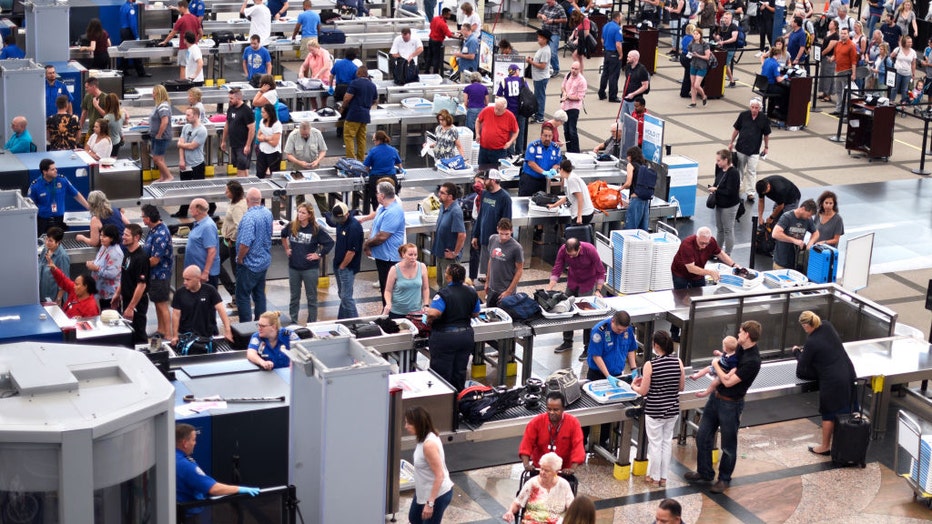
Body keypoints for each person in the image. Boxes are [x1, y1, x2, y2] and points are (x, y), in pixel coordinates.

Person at [684, 320, 762, 494]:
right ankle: (704, 472)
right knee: (703, 435)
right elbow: (728, 362)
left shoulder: (753, 360)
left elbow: (728, 381)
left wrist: (715, 365)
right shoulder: (741, 349)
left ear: (747, 335)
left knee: (728, 444)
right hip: (716, 398)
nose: (738, 335)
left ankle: (724, 479)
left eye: (740, 332)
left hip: (731, 403)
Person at [794, 310, 857, 455]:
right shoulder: (827, 326)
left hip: (832, 380)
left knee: (829, 413)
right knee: (850, 407)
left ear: (806, 325)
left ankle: (825, 446)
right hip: (847, 372)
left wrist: (796, 352)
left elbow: (802, 364)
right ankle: (847, 445)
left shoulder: (812, 341)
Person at [631, 331, 685, 488]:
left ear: (656, 345)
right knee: (666, 443)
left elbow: (643, 391)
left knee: (655, 444)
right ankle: (663, 477)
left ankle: (654, 477)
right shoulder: (678, 362)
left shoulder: (650, 365)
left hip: (655, 410)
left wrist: (634, 385)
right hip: (672, 409)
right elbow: (681, 387)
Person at [669, 227, 740, 340]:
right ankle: (675, 332)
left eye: (706, 243)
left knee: (700, 299)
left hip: (698, 273)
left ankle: (696, 327)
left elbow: (720, 253)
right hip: (680, 273)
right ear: (697, 237)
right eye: (701, 243)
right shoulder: (687, 244)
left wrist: (734, 265)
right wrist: (710, 272)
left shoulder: (710, 242)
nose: (704, 246)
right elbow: (690, 268)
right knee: (680, 302)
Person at [176, 423, 261, 513]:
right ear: (185, 443)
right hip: (186, 516)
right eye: (194, 440)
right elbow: (214, 489)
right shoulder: (185, 465)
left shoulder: (167, 459)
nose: (195, 443)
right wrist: (239, 489)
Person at [425, 262, 480, 391]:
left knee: (441, 375)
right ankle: (458, 403)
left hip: (445, 338)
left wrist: (428, 315)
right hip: (465, 337)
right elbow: (475, 313)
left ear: (449, 277)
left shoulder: (444, 293)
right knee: (460, 372)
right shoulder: (471, 292)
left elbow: (435, 312)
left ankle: (443, 404)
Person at [547, 237, 603, 357]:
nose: (571, 257)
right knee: (566, 309)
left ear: (580, 248)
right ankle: (567, 341)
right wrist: (551, 285)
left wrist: (598, 290)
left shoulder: (590, 250)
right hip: (573, 281)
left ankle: (587, 347)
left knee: (586, 314)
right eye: (569, 255)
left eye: (574, 255)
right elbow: (558, 266)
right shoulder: (563, 250)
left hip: (587, 283)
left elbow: (600, 270)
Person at [282, 203, 334, 323]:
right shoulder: (292, 226)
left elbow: (329, 243)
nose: (300, 215)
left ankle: (311, 322)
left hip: (310, 269)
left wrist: (318, 254)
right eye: (299, 212)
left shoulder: (316, 229)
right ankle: (293, 321)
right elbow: (283, 235)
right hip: (294, 267)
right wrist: (286, 248)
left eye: (303, 212)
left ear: (309, 215)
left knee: (311, 298)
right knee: (294, 297)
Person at [405, 406, 455, 524]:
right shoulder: (424, 437)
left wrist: (430, 504)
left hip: (437, 495)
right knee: (414, 518)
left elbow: (440, 475)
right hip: (423, 491)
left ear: (419, 424)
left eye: (409, 424)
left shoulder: (429, 445)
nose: (405, 426)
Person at [518, 391, 586, 474]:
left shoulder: (573, 423)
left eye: (556, 410)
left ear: (563, 409)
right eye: (549, 409)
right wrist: (526, 464)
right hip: (539, 469)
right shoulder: (536, 422)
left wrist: (572, 468)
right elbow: (526, 445)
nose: (552, 412)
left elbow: (578, 447)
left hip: (563, 471)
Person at [502, 452, 575, 523]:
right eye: (541, 469)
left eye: (546, 471)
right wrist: (510, 511)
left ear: (556, 472)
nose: (542, 472)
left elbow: (572, 509)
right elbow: (518, 503)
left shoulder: (564, 485)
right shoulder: (532, 483)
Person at [171, 265, 234, 347]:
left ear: (198, 279)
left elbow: (221, 310)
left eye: (188, 279)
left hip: (208, 335)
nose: (184, 282)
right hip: (187, 335)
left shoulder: (210, 290)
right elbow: (176, 315)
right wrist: (175, 335)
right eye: (184, 279)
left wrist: (228, 330)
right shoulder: (179, 293)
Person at [364, 181, 406, 304]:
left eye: (377, 193)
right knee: (384, 289)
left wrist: (366, 244)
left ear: (382, 195)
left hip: (390, 259)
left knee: (390, 290)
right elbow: (375, 226)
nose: (376, 196)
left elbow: (382, 237)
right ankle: (386, 314)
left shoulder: (394, 211)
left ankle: (392, 316)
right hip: (382, 257)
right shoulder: (383, 207)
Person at [236, 188, 274, 322]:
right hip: (263, 262)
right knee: (259, 295)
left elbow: (245, 244)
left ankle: (246, 328)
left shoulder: (249, 218)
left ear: (247, 201)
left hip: (249, 264)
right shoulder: (267, 213)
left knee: (243, 296)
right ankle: (261, 323)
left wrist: (239, 258)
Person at [28, 158, 91, 235]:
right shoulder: (35, 186)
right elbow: (30, 206)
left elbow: (76, 194)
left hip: (60, 220)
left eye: (55, 168)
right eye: (52, 169)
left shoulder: (62, 180)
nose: (56, 171)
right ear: (45, 172)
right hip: (44, 222)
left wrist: (89, 208)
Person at [471, 169, 512, 284]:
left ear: (493, 180)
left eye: (486, 180)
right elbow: (481, 215)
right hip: (484, 239)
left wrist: (503, 240)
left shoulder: (505, 198)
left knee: (496, 272)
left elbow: (506, 222)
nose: (484, 182)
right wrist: (475, 235)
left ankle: (492, 295)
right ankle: (488, 292)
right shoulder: (485, 194)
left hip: (496, 241)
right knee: (486, 272)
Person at [141, 204, 174, 340]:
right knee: (157, 302)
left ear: (148, 218)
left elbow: (155, 260)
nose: (142, 219)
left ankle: (168, 333)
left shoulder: (160, 233)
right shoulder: (153, 230)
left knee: (162, 304)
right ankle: (160, 329)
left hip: (160, 274)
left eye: (143, 217)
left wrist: (139, 265)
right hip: (154, 274)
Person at [729, 98, 771, 202]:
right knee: (739, 169)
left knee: (752, 171)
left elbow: (766, 134)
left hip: (754, 150)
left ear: (760, 108)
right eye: (752, 107)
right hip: (741, 148)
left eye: (756, 108)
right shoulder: (743, 115)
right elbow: (736, 130)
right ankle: (737, 188)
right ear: (750, 107)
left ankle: (750, 192)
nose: (754, 109)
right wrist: (731, 142)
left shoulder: (764, 118)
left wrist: (766, 147)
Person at [113, 224, 149, 343]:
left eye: (127, 235)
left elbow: (141, 285)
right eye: (123, 234)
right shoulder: (128, 253)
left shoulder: (141, 258)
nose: (123, 237)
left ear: (136, 237)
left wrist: (131, 307)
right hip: (127, 299)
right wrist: (117, 294)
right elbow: (125, 275)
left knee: (138, 334)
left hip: (137, 303)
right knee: (128, 332)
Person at [175, 106, 213, 218]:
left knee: (199, 189)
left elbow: (192, 146)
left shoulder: (202, 130)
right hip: (185, 164)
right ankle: (183, 211)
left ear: (196, 116)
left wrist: (181, 144)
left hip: (197, 164)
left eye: (188, 115)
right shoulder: (186, 127)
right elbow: (181, 144)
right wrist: (182, 160)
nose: (186, 117)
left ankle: (210, 206)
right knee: (184, 188)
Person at [330, 202, 363, 318]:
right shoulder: (339, 222)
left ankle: (355, 322)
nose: (338, 220)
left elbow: (351, 252)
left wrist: (342, 266)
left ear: (347, 214)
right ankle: (342, 319)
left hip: (348, 267)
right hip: (338, 263)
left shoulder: (354, 227)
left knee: (346, 297)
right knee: (342, 294)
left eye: (340, 217)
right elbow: (330, 220)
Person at [383, 243, 430, 319]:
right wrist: (388, 303)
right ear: (403, 254)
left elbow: (425, 288)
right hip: (397, 311)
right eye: (410, 255)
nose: (413, 257)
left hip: (417, 311)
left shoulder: (422, 267)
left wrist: (426, 305)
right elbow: (388, 291)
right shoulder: (394, 269)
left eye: (415, 255)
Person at [341, 66, 378, 161]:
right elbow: (375, 100)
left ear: (358, 73)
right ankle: (361, 160)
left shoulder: (355, 83)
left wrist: (343, 107)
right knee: (361, 139)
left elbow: (347, 98)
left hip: (354, 114)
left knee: (349, 137)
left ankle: (351, 160)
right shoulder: (372, 85)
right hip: (365, 115)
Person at [433, 183, 466, 288]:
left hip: (449, 257)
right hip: (440, 253)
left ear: (450, 197)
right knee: (440, 282)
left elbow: (462, 235)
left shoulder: (456, 211)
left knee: (448, 286)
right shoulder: (443, 207)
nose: (439, 194)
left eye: (442, 193)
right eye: (440, 192)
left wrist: (455, 253)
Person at [772, 199, 820, 270]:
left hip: (796, 262)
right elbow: (775, 234)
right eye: (809, 215)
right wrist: (794, 240)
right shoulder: (787, 217)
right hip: (781, 261)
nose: (809, 218)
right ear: (803, 209)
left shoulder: (808, 220)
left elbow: (816, 233)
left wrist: (810, 242)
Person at [485, 218, 523, 308]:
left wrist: (509, 291)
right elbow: (491, 260)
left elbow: (519, 270)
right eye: (501, 234)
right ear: (497, 229)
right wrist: (487, 281)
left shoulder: (516, 248)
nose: (504, 237)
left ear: (512, 231)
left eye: (507, 234)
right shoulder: (492, 239)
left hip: (505, 290)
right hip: (492, 288)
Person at [47, 253, 99, 318]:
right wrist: (54, 269)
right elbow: (64, 280)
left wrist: (81, 321)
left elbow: (90, 326)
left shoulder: (91, 307)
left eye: (77, 284)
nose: (74, 286)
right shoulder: (74, 290)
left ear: (85, 287)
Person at [160, 0, 201, 78]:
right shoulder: (195, 18)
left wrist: (165, 42)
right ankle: (191, 84)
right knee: (192, 66)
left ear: (182, 7)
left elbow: (172, 34)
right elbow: (201, 33)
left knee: (183, 67)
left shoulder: (181, 20)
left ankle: (183, 85)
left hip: (184, 47)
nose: (178, 9)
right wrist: (196, 40)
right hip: (194, 47)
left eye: (179, 8)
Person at [185, 198, 221, 287]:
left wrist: (205, 272)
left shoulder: (207, 227)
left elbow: (212, 251)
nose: (189, 210)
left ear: (197, 210)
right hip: (196, 273)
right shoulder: (199, 224)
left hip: (204, 276)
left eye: (191, 208)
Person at [219, 180, 246, 299]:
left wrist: (232, 239)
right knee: (216, 261)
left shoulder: (238, 207)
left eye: (228, 191)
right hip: (227, 239)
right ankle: (234, 291)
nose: (225, 192)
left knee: (237, 271)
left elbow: (239, 226)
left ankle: (239, 295)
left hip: (232, 242)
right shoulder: (233, 202)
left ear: (234, 192)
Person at [363, 130, 403, 212]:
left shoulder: (373, 151)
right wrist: (401, 170)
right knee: (392, 199)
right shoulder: (393, 150)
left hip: (376, 179)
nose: (374, 142)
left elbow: (366, 167)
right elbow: (399, 165)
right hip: (391, 179)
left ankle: (376, 212)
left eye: (374, 140)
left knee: (376, 201)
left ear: (378, 140)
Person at [710, 149, 741, 253]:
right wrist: (714, 188)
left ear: (726, 160)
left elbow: (731, 192)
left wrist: (716, 190)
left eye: (719, 160)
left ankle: (727, 253)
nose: (717, 162)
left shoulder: (734, 173)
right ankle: (717, 251)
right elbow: (716, 181)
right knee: (720, 229)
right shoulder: (719, 169)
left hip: (729, 205)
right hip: (720, 203)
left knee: (728, 229)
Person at [87, 224, 123, 312]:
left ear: (112, 238)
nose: (101, 238)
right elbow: (100, 261)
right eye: (101, 235)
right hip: (101, 290)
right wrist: (93, 263)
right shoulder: (104, 247)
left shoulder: (116, 253)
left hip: (111, 294)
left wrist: (96, 268)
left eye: (105, 236)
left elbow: (112, 274)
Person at [221, 87, 256, 177]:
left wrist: (248, 145)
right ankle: (247, 183)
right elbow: (227, 124)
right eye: (229, 98)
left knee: (241, 169)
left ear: (239, 98)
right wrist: (223, 141)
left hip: (243, 144)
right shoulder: (231, 108)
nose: (230, 100)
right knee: (241, 167)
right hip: (234, 143)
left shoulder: (246, 111)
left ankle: (240, 187)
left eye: (232, 98)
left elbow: (252, 129)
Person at [549, 159, 594, 225]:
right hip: (583, 213)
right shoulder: (569, 177)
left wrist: (579, 216)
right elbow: (568, 198)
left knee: (574, 234)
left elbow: (580, 198)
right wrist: (554, 205)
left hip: (584, 214)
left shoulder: (572, 179)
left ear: (561, 169)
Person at [520, 125, 561, 196]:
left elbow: (557, 163)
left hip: (546, 180)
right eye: (545, 136)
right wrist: (543, 172)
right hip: (531, 179)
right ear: (541, 135)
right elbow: (531, 163)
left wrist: (554, 169)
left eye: (550, 136)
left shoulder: (556, 148)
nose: (547, 138)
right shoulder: (533, 146)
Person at [621, 146, 656, 231]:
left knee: (631, 228)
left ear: (631, 156)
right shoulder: (644, 165)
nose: (627, 158)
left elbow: (628, 182)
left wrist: (620, 188)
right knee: (643, 229)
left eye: (628, 156)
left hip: (635, 198)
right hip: (645, 200)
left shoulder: (631, 165)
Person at [475, 97, 518, 165]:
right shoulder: (487, 110)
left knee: (496, 170)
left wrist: (510, 142)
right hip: (484, 149)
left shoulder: (510, 116)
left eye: (499, 109)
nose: (496, 111)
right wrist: (477, 133)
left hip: (499, 150)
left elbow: (516, 131)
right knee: (481, 170)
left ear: (504, 109)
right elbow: (478, 120)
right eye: (495, 108)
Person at [496, 65, 527, 154]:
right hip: (521, 110)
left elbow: (498, 95)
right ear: (515, 71)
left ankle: (510, 152)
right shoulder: (522, 80)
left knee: (510, 132)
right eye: (518, 70)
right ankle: (519, 151)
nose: (519, 72)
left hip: (509, 111)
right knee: (520, 132)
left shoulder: (504, 81)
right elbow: (527, 93)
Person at [560, 62, 587, 153]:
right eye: (572, 68)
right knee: (566, 130)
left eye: (575, 69)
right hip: (564, 107)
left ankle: (575, 151)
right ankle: (569, 150)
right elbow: (563, 87)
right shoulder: (568, 75)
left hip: (573, 108)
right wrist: (564, 93)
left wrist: (568, 97)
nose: (573, 70)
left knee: (572, 130)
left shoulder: (582, 81)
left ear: (579, 70)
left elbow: (580, 97)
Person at [831, 27, 858, 115]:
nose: (843, 35)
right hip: (838, 70)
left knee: (845, 93)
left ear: (848, 34)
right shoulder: (838, 44)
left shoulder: (851, 45)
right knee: (838, 91)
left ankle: (845, 112)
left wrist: (853, 74)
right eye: (841, 33)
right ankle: (838, 109)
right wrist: (831, 59)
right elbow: (835, 55)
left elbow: (854, 61)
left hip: (846, 72)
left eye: (845, 33)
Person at [39, 227, 70, 305]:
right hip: (43, 295)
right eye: (46, 239)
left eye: (50, 241)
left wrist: (58, 299)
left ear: (58, 242)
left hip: (54, 297)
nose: (47, 242)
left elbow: (64, 280)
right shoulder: (45, 250)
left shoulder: (62, 257)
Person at [527, 29, 553, 124]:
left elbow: (542, 66)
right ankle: (537, 112)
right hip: (538, 76)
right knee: (537, 95)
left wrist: (531, 62)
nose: (538, 39)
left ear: (545, 39)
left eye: (540, 37)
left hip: (541, 77)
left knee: (540, 97)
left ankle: (540, 116)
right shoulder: (542, 49)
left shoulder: (545, 51)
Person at [298, 40, 333, 109]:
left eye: (312, 50)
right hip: (314, 80)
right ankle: (315, 109)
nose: (311, 52)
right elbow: (304, 65)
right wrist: (301, 72)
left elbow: (326, 66)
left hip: (324, 79)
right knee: (312, 97)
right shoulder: (310, 55)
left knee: (323, 98)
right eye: (309, 50)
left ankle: (323, 109)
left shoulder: (324, 53)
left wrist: (318, 75)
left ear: (317, 47)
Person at [598, 11, 624, 102]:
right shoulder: (617, 29)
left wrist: (606, 47)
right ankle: (613, 96)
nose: (622, 19)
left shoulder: (606, 26)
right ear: (617, 18)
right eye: (621, 17)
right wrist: (621, 54)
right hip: (614, 54)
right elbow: (618, 44)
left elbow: (602, 39)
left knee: (605, 73)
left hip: (607, 52)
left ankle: (601, 93)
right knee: (613, 75)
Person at [149, 85, 173, 182]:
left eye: (154, 92)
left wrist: (159, 134)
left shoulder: (163, 106)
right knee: (160, 158)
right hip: (156, 136)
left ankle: (169, 176)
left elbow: (165, 121)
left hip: (161, 137)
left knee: (157, 159)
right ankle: (163, 177)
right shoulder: (158, 105)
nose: (152, 94)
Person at [119, 0, 149, 77]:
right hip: (129, 32)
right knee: (135, 51)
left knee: (124, 52)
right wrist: (136, 36)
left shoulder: (123, 6)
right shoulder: (131, 9)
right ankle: (141, 72)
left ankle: (123, 70)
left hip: (123, 31)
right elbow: (133, 24)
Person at [536, 0, 567, 76]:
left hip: (554, 33)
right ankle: (546, 67)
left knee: (552, 52)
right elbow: (538, 14)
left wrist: (553, 21)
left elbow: (565, 19)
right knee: (544, 51)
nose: (548, 4)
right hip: (545, 32)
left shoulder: (559, 8)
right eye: (547, 2)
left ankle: (556, 69)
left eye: (549, 2)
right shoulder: (545, 5)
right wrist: (541, 16)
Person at [255, 103, 283, 178]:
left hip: (274, 153)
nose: (261, 114)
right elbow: (258, 136)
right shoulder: (262, 121)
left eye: (263, 112)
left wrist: (264, 138)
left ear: (269, 113)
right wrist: (269, 138)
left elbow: (274, 143)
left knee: (275, 175)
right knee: (259, 173)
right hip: (263, 151)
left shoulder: (277, 125)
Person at [713, 11, 740, 87]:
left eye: (726, 18)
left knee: (725, 64)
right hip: (723, 48)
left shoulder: (733, 27)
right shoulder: (723, 26)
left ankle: (730, 80)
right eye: (724, 17)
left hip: (730, 48)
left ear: (730, 18)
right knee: (724, 64)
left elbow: (734, 38)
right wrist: (716, 37)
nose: (724, 19)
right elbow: (719, 37)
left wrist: (723, 42)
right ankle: (731, 80)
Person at [688, 29, 711, 108]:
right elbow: (689, 52)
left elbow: (707, 57)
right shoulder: (691, 43)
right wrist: (690, 55)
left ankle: (704, 96)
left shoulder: (705, 44)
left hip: (702, 66)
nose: (695, 35)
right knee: (692, 84)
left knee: (697, 85)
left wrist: (698, 55)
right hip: (693, 64)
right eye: (694, 34)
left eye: (697, 34)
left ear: (700, 35)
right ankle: (693, 102)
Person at [80, 77, 106, 146]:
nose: (86, 89)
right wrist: (80, 128)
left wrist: (97, 106)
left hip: (102, 133)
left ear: (93, 87)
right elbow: (84, 113)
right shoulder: (87, 97)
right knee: (86, 152)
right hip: (91, 131)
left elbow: (107, 116)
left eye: (87, 87)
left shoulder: (105, 98)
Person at [622, 50, 651, 114]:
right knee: (623, 119)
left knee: (634, 120)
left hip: (635, 101)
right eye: (627, 57)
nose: (627, 58)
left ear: (635, 58)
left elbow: (645, 86)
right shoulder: (628, 67)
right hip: (625, 97)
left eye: (629, 57)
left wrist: (633, 94)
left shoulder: (642, 70)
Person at [890, 35, 917, 104]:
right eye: (908, 42)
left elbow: (913, 64)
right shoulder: (898, 49)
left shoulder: (913, 52)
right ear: (904, 42)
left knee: (904, 90)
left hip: (907, 73)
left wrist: (913, 74)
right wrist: (893, 65)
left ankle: (903, 104)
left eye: (911, 42)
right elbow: (891, 56)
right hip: (898, 71)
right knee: (895, 88)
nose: (910, 44)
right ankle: (891, 101)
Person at [427, 7, 454, 74]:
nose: (450, 16)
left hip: (431, 40)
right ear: (445, 14)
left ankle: (426, 70)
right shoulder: (443, 24)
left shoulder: (435, 19)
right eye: (449, 15)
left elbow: (431, 27)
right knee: (437, 58)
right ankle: (435, 73)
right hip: (437, 42)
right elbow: (449, 35)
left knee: (429, 56)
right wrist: (459, 37)